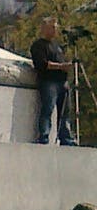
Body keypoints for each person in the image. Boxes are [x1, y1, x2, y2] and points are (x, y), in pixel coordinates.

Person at [29, 16, 77, 145]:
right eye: (53, 27)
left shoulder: (57, 46)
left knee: (65, 112)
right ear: (45, 28)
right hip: (48, 81)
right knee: (48, 108)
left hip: (62, 82)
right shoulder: (38, 45)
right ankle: (44, 136)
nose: (56, 30)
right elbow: (42, 64)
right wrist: (61, 66)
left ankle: (66, 137)